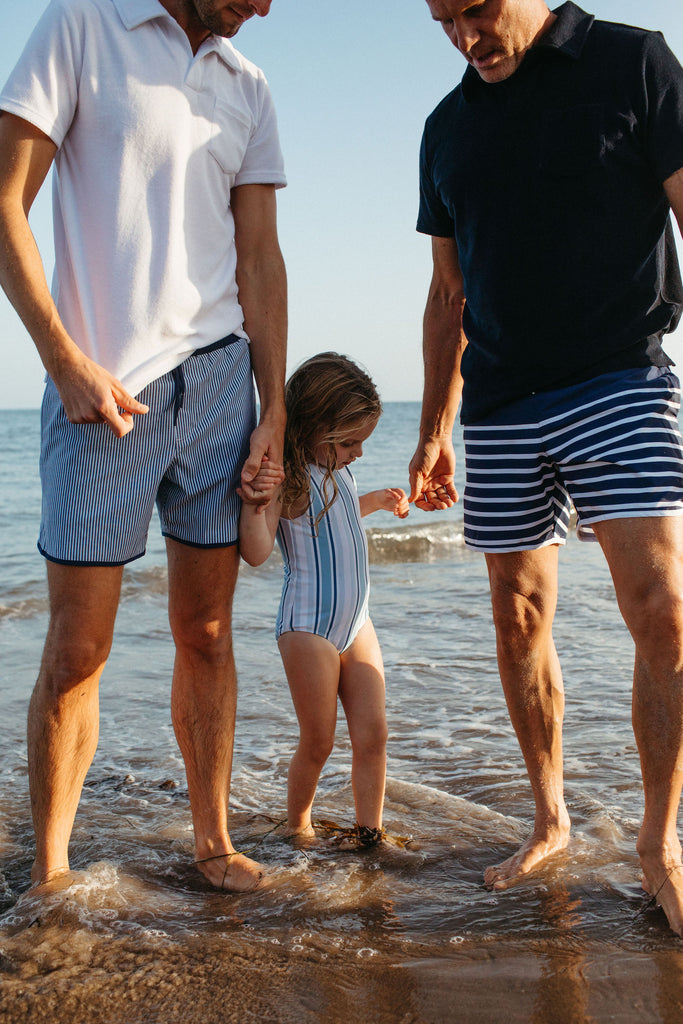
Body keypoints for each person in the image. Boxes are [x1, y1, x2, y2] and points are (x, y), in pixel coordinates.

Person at [0, 0, 287, 893]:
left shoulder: (249, 84)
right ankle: (50, 873)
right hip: (104, 398)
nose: (265, 7)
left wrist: (272, 408)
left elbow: (261, 261)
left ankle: (213, 843)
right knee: (80, 647)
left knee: (206, 632)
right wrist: (64, 361)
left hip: (219, 390)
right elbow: (6, 200)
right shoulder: (81, 24)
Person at [410, 0, 683, 935]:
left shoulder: (634, 63)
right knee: (517, 612)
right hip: (496, 398)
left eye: (477, 12)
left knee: (663, 608)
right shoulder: (445, 128)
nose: (464, 36)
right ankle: (549, 817)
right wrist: (433, 426)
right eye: (443, 20)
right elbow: (447, 289)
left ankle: (658, 841)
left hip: (619, 375)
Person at [239, 353, 409, 844]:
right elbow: (256, 551)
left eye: (361, 442)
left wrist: (374, 500)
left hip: (357, 624)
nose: (357, 452)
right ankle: (298, 825)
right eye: (349, 442)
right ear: (313, 427)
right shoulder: (285, 477)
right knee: (319, 740)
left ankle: (369, 832)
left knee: (373, 735)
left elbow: (335, 519)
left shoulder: (340, 471)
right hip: (308, 626)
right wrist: (253, 504)